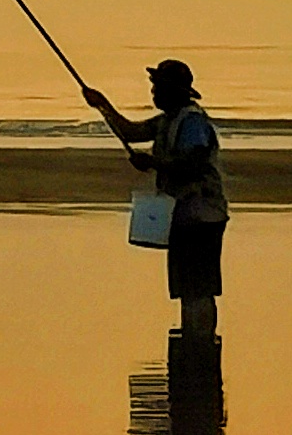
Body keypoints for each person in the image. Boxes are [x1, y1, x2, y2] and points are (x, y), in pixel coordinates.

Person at [83, 59, 227, 343]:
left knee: (199, 288)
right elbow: (130, 133)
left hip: (203, 215)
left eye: (158, 87)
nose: (153, 93)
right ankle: (194, 342)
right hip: (183, 215)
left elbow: (194, 164)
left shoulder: (192, 122)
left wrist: (153, 163)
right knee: (187, 287)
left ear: (174, 90)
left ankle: (200, 342)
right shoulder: (167, 121)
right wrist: (101, 105)